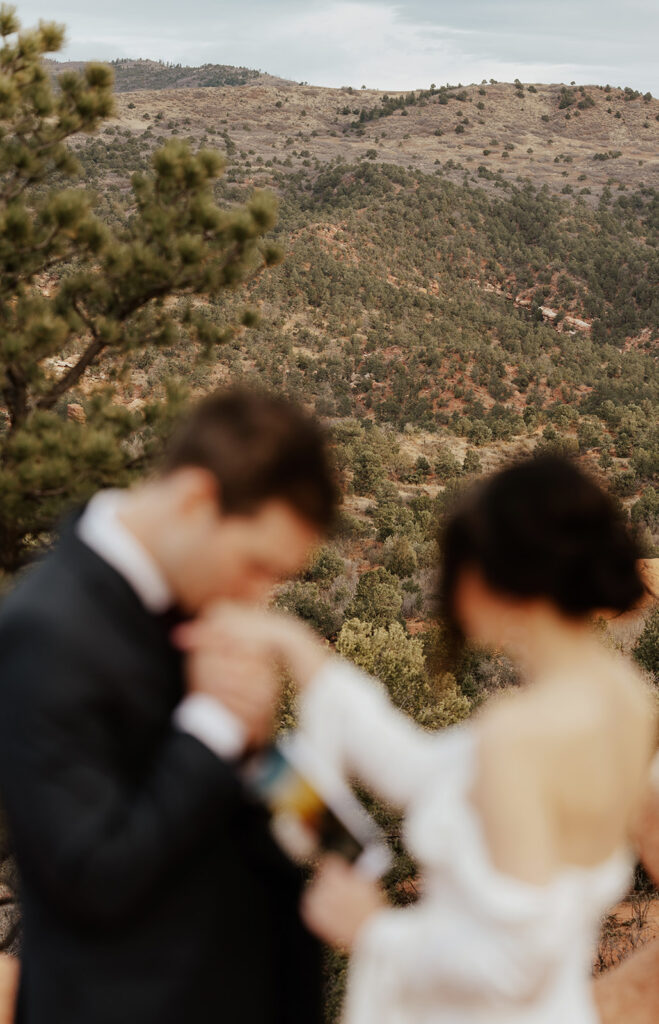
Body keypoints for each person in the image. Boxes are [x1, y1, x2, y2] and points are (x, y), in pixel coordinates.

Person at [179, 455, 657, 1024]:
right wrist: (298, 650)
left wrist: (374, 930)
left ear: (490, 577)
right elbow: (421, 768)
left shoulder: (519, 732)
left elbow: (516, 964)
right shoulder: (626, 699)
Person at [0, 388, 338, 1024]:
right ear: (195, 500)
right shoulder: (44, 631)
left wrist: (336, 843)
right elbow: (89, 877)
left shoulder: (205, 610)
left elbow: (250, 793)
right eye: (255, 565)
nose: (260, 595)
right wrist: (211, 727)